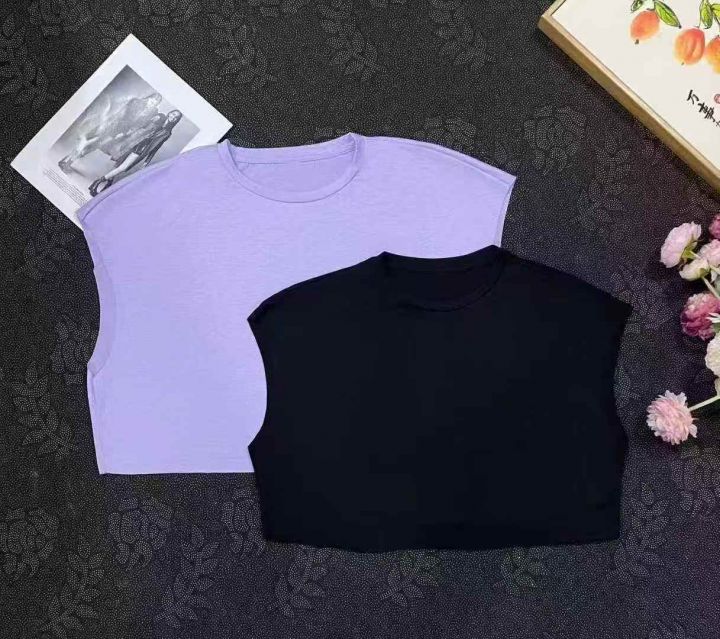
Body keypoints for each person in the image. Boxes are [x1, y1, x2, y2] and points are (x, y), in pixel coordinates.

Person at [58, 92, 163, 174]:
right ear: (150, 97)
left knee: (93, 145)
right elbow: (121, 115)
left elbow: (140, 125)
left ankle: (67, 160)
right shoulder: (136, 102)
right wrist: (115, 129)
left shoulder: (153, 112)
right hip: (112, 126)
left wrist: (125, 133)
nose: (153, 103)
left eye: (156, 103)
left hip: (121, 132)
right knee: (90, 143)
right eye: (153, 100)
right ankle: (67, 161)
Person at [88, 110, 182, 196]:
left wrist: (147, 161)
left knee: (123, 167)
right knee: (119, 165)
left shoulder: (167, 133)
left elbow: (156, 147)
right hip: (133, 141)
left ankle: (100, 182)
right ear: (170, 113)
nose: (173, 117)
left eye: (176, 117)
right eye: (173, 114)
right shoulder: (160, 117)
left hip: (141, 149)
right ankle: (103, 183)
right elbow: (142, 124)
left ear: (176, 121)